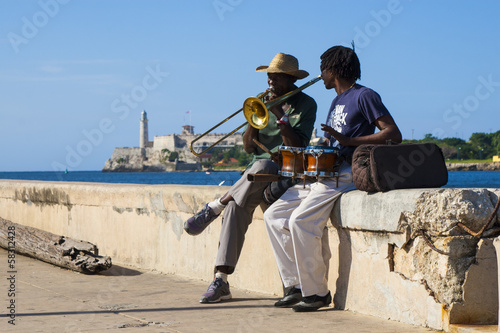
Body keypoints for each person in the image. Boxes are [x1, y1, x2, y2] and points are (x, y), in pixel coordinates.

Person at [264, 45, 402, 312]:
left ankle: (317, 293)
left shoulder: (365, 95)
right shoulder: (336, 100)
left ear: (334, 70)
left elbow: (393, 133)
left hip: (347, 173)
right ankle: (293, 286)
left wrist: (350, 141)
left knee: (300, 221)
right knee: (274, 215)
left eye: (322, 70)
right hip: (326, 173)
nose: (320, 76)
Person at [184, 53, 317, 303]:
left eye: (275, 76)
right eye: (268, 75)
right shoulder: (260, 101)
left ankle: (215, 206)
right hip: (255, 173)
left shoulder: (306, 104)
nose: (269, 80)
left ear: (290, 78)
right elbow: (248, 148)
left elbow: (296, 146)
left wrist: (279, 113)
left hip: (286, 170)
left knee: (264, 163)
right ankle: (221, 280)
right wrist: (254, 119)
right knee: (236, 207)